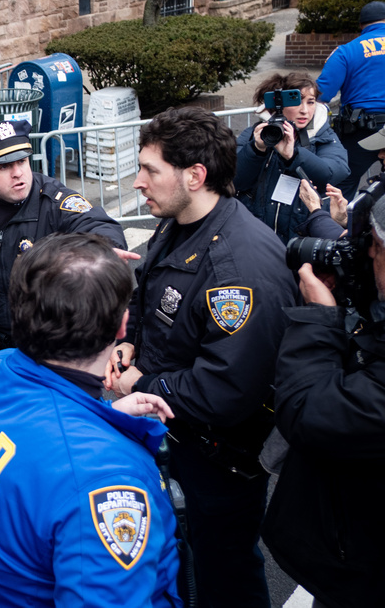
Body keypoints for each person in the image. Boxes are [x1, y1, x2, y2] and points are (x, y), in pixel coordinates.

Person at [106, 107, 299, 608]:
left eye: (150, 170)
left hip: (220, 460)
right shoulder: (180, 222)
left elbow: (225, 390)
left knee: (225, 575)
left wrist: (137, 386)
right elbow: (150, 285)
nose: (138, 182)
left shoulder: (238, 268)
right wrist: (131, 342)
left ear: (194, 176)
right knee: (188, 556)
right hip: (181, 435)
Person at [0, 234, 182, 607]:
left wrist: (103, 421)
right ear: (122, 326)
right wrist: (100, 444)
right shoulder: (106, 483)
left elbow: (28, 456)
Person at [262, 192, 385, 608]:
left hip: (362, 573)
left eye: (376, 247)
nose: (369, 255)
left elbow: (307, 411)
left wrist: (319, 318)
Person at [0, 120, 132, 352]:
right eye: (4, 167)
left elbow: (94, 222)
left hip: (46, 339)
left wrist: (104, 249)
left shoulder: (53, 201)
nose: (18, 173)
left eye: (22, 161)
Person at [234, 72, 348, 243]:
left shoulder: (323, 136)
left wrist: (293, 156)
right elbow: (233, 179)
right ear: (279, 104)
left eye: (311, 102)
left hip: (302, 238)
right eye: (296, 101)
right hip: (256, 236)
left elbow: (331, 174)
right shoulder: (256, 134)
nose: (305, 110)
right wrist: (257, 149)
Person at [317, 1, 385, 200]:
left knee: (341, 186)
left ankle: (337, 219)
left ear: (361, 25)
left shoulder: (346, 51)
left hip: (360, 132)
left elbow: (322, 94)